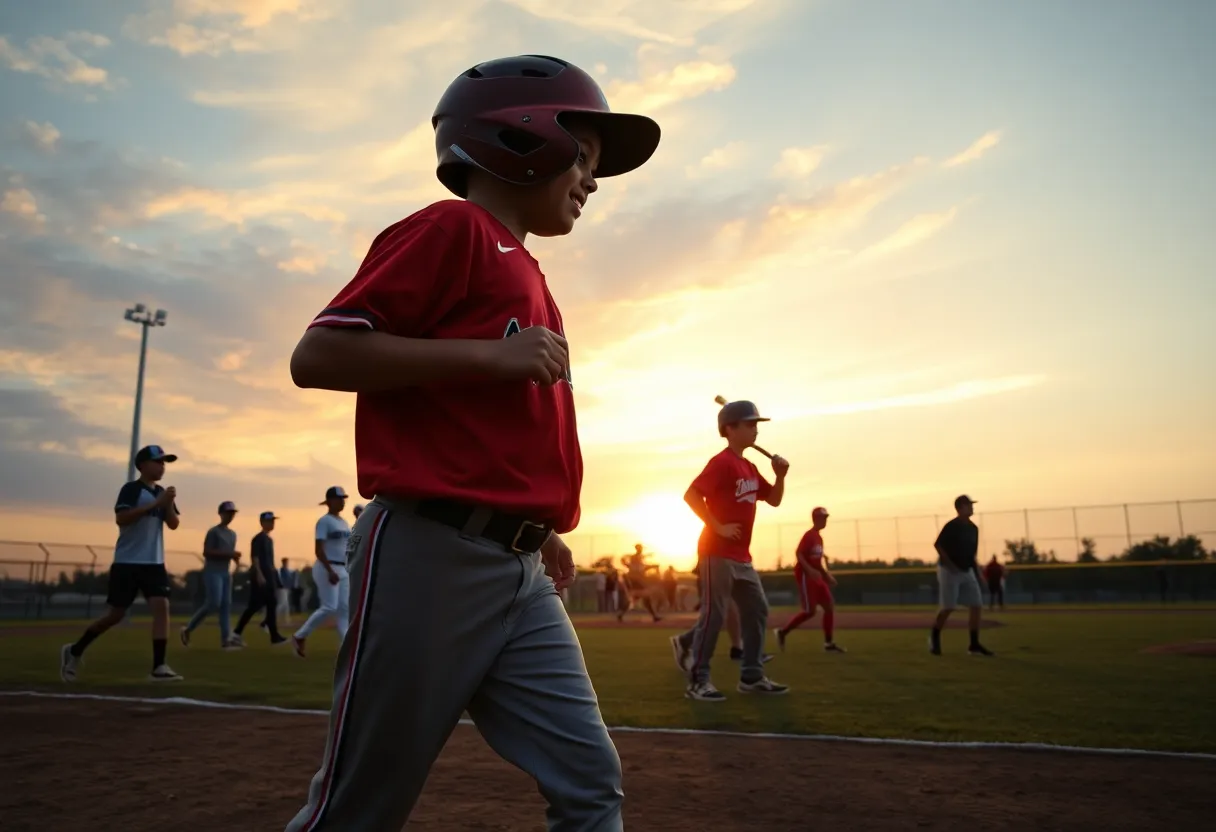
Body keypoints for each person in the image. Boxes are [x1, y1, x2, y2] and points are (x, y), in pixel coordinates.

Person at [281, 54, 661, 831]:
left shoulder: (529, 271)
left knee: (591, 782)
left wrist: (539, 525)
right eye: (583, 157)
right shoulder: (453, 227)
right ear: (522, 138)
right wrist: (491, 355)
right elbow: (318, 355)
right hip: (431, 552)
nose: (592, 181)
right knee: (362, 803)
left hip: (520, 567)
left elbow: (494, 428)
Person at [670, 400, 789, 701]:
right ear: (729, 429)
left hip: (741, 556)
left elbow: (773, 500)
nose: (755, 430)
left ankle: (751, 676)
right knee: (715, 615)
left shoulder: (748, 466)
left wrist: (780, 476)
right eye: (749, 424)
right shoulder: (722, 462)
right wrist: (717, 527)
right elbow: (691, 495)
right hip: (716, 551)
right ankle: (699, 680)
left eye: (756, 425)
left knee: (757, 610)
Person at [60, 445, 183, 682]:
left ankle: (159, 667)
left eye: (164, 462)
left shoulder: (161, 493)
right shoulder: (131, 489)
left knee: (162, 607)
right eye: (158, 461)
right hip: (127, 562)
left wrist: (167, 503)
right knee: (115, 615)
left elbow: (174, 524)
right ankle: (74, 650)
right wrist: (155, 504)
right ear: (143, 465)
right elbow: (121, 517)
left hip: (154, 562)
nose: (162, 466)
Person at [290, 487, 352, 659]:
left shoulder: (344, 522)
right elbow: (318, 550)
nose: (343, 501)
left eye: (343, 498)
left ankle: (346, 649)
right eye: (339, 498)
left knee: (343, 609)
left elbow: (348, 546)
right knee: (330, 606)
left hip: (342, 568)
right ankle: (299, 636)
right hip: (327, 567)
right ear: (330, 500)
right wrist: (330, 570)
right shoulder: (324, 521)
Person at [775, 506, 846, 653]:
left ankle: (828, 643)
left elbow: (817, 562)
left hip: (816, 576)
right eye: (822, 518)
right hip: (805, 576)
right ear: (815, 519)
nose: (825, 520)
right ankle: (783, 632)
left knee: (828, 606)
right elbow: (799, 554)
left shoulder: (819, 538)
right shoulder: (809, 536)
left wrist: (826, 576)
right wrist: (810, 570)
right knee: (810, 611)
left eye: (826, 518)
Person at [930, 495, 994, 656]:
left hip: (967, 570)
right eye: (968, 505)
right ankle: (934, 638)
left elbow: (972, 555)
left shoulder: (973, 529)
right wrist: (950, 565)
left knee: (976, 605)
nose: (972, 508)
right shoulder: (952, 526)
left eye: (971, 505)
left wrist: (979, 574)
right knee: (949, 607)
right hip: (949, 571)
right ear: (960, 508)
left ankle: (973, 645)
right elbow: (938, 545)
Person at [181, 501, 242, 649]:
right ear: (220, 514)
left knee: (226, 605)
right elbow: (207, 552)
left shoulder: (232, 534)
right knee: (213, 603)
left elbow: (229, 553)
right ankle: (188, 629)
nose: (230, 516)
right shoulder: (214, 532)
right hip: (212, 572)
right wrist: (229, 554)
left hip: (225, 572)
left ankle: (225, 640)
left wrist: (235, 559)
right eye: (227, 513)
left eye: (232, 513)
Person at [233, 511, 288, 645]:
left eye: (273, 521)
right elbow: (255, 558)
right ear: (262, 522)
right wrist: (259, 574)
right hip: (261, 576)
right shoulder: (258, 539)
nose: (272, 523)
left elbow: (271, 561)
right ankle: (237, 632)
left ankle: (273, 635)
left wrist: (276, 578)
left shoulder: (269, 540)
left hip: (269, 576)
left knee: (271, 603)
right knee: (255, 605)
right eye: (269, 521)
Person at [617, 543, 661, 622]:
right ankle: (654, 616)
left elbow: (641, 568)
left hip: (638, 581)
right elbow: (638, 568)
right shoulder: (635, 558)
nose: (641, 550)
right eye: (640, 548)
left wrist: (650, 566)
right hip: (635, 581)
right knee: (644, 598)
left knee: (636, 599)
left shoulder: (638, 559)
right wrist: (649, 565)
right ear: (638, 549)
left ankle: (620, 614)